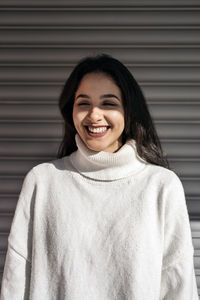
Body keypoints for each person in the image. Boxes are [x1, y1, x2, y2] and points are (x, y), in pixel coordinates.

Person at [0, 54, 198, 300]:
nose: (94, 115)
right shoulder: (42, 182)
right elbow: (15, 282)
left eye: (108, 103)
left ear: (129, 110)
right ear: (70, 110)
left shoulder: (161, 187)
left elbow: (179, 288)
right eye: (83, 103)